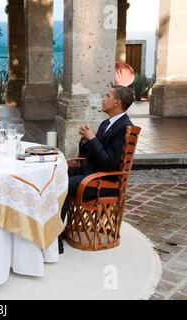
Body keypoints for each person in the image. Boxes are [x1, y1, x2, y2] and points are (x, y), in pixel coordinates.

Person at [59, 85, 135, 254]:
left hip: (103, 182)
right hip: (92, 172)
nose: (103, 99)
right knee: (57, 175)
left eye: (107, 96)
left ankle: (56, 238)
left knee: (61, 184)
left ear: (117, 102)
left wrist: (92, 138)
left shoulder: (123, 128)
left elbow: (109, 164)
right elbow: (89, 154)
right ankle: (53, 227)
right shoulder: (106, 124)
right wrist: (85, 140)